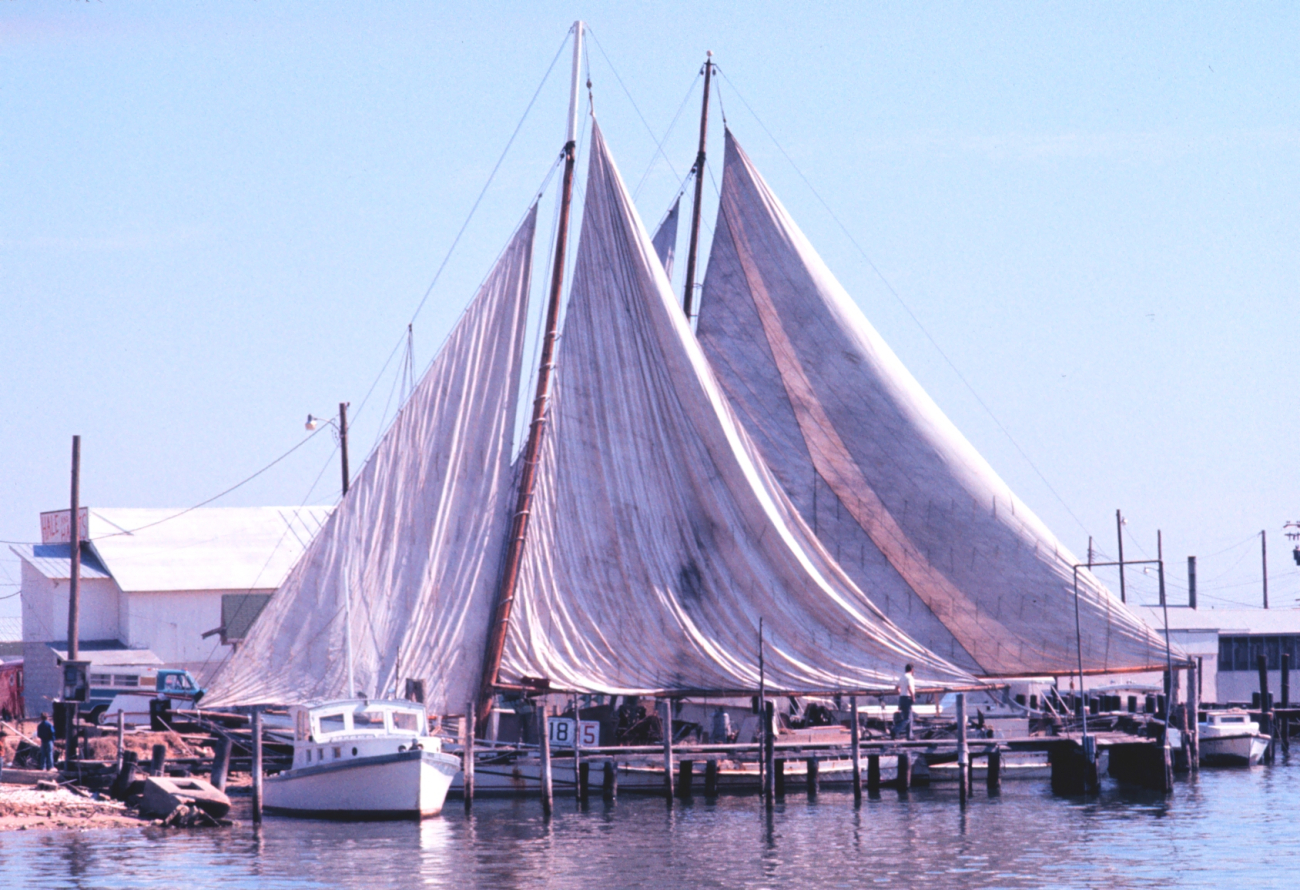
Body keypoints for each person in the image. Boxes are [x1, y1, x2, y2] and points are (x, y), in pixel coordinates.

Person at [897, 664, 916, 741]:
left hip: (902, 698)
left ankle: (909, 736)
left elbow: (896, 688)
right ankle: (895, 730)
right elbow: (909, 687)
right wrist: (913, 697)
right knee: (908, 719)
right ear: (911, 669)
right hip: (907, 698)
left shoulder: (902, 677)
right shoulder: (910, 677)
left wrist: (901, 694)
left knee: (909, 718)